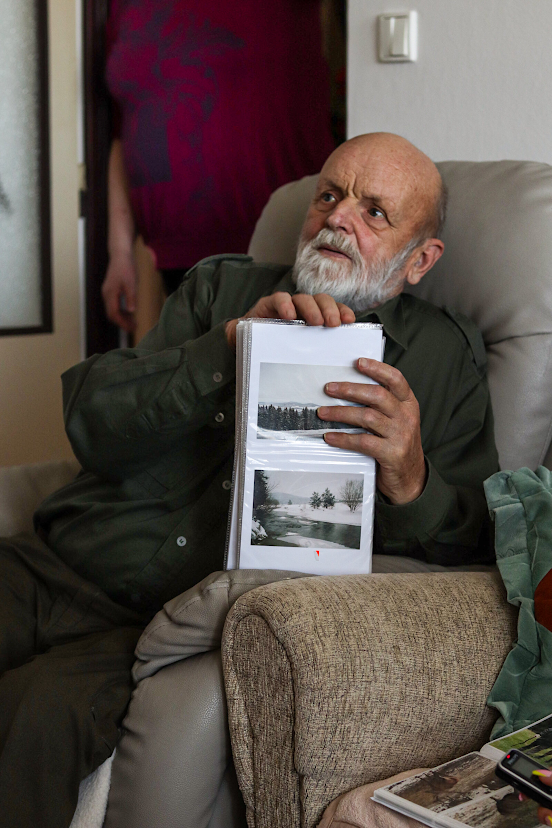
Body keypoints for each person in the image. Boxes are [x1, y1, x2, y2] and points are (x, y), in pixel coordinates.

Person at [0, 132, 498, 827]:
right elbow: (92, 418)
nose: (336, 217)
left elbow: (479, 545)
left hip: (157, 624)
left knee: (37, 714)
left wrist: (412, 479)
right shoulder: (219, 289)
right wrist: (223, 350)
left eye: (374, 212)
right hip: (57, 563)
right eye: (329, 194)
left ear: (420, 260)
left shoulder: (445, 358)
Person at [102, 0, 336, 331]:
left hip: (273, 250)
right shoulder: (124, 7)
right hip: (172, 259)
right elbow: (124, 133)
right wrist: (120, 252)